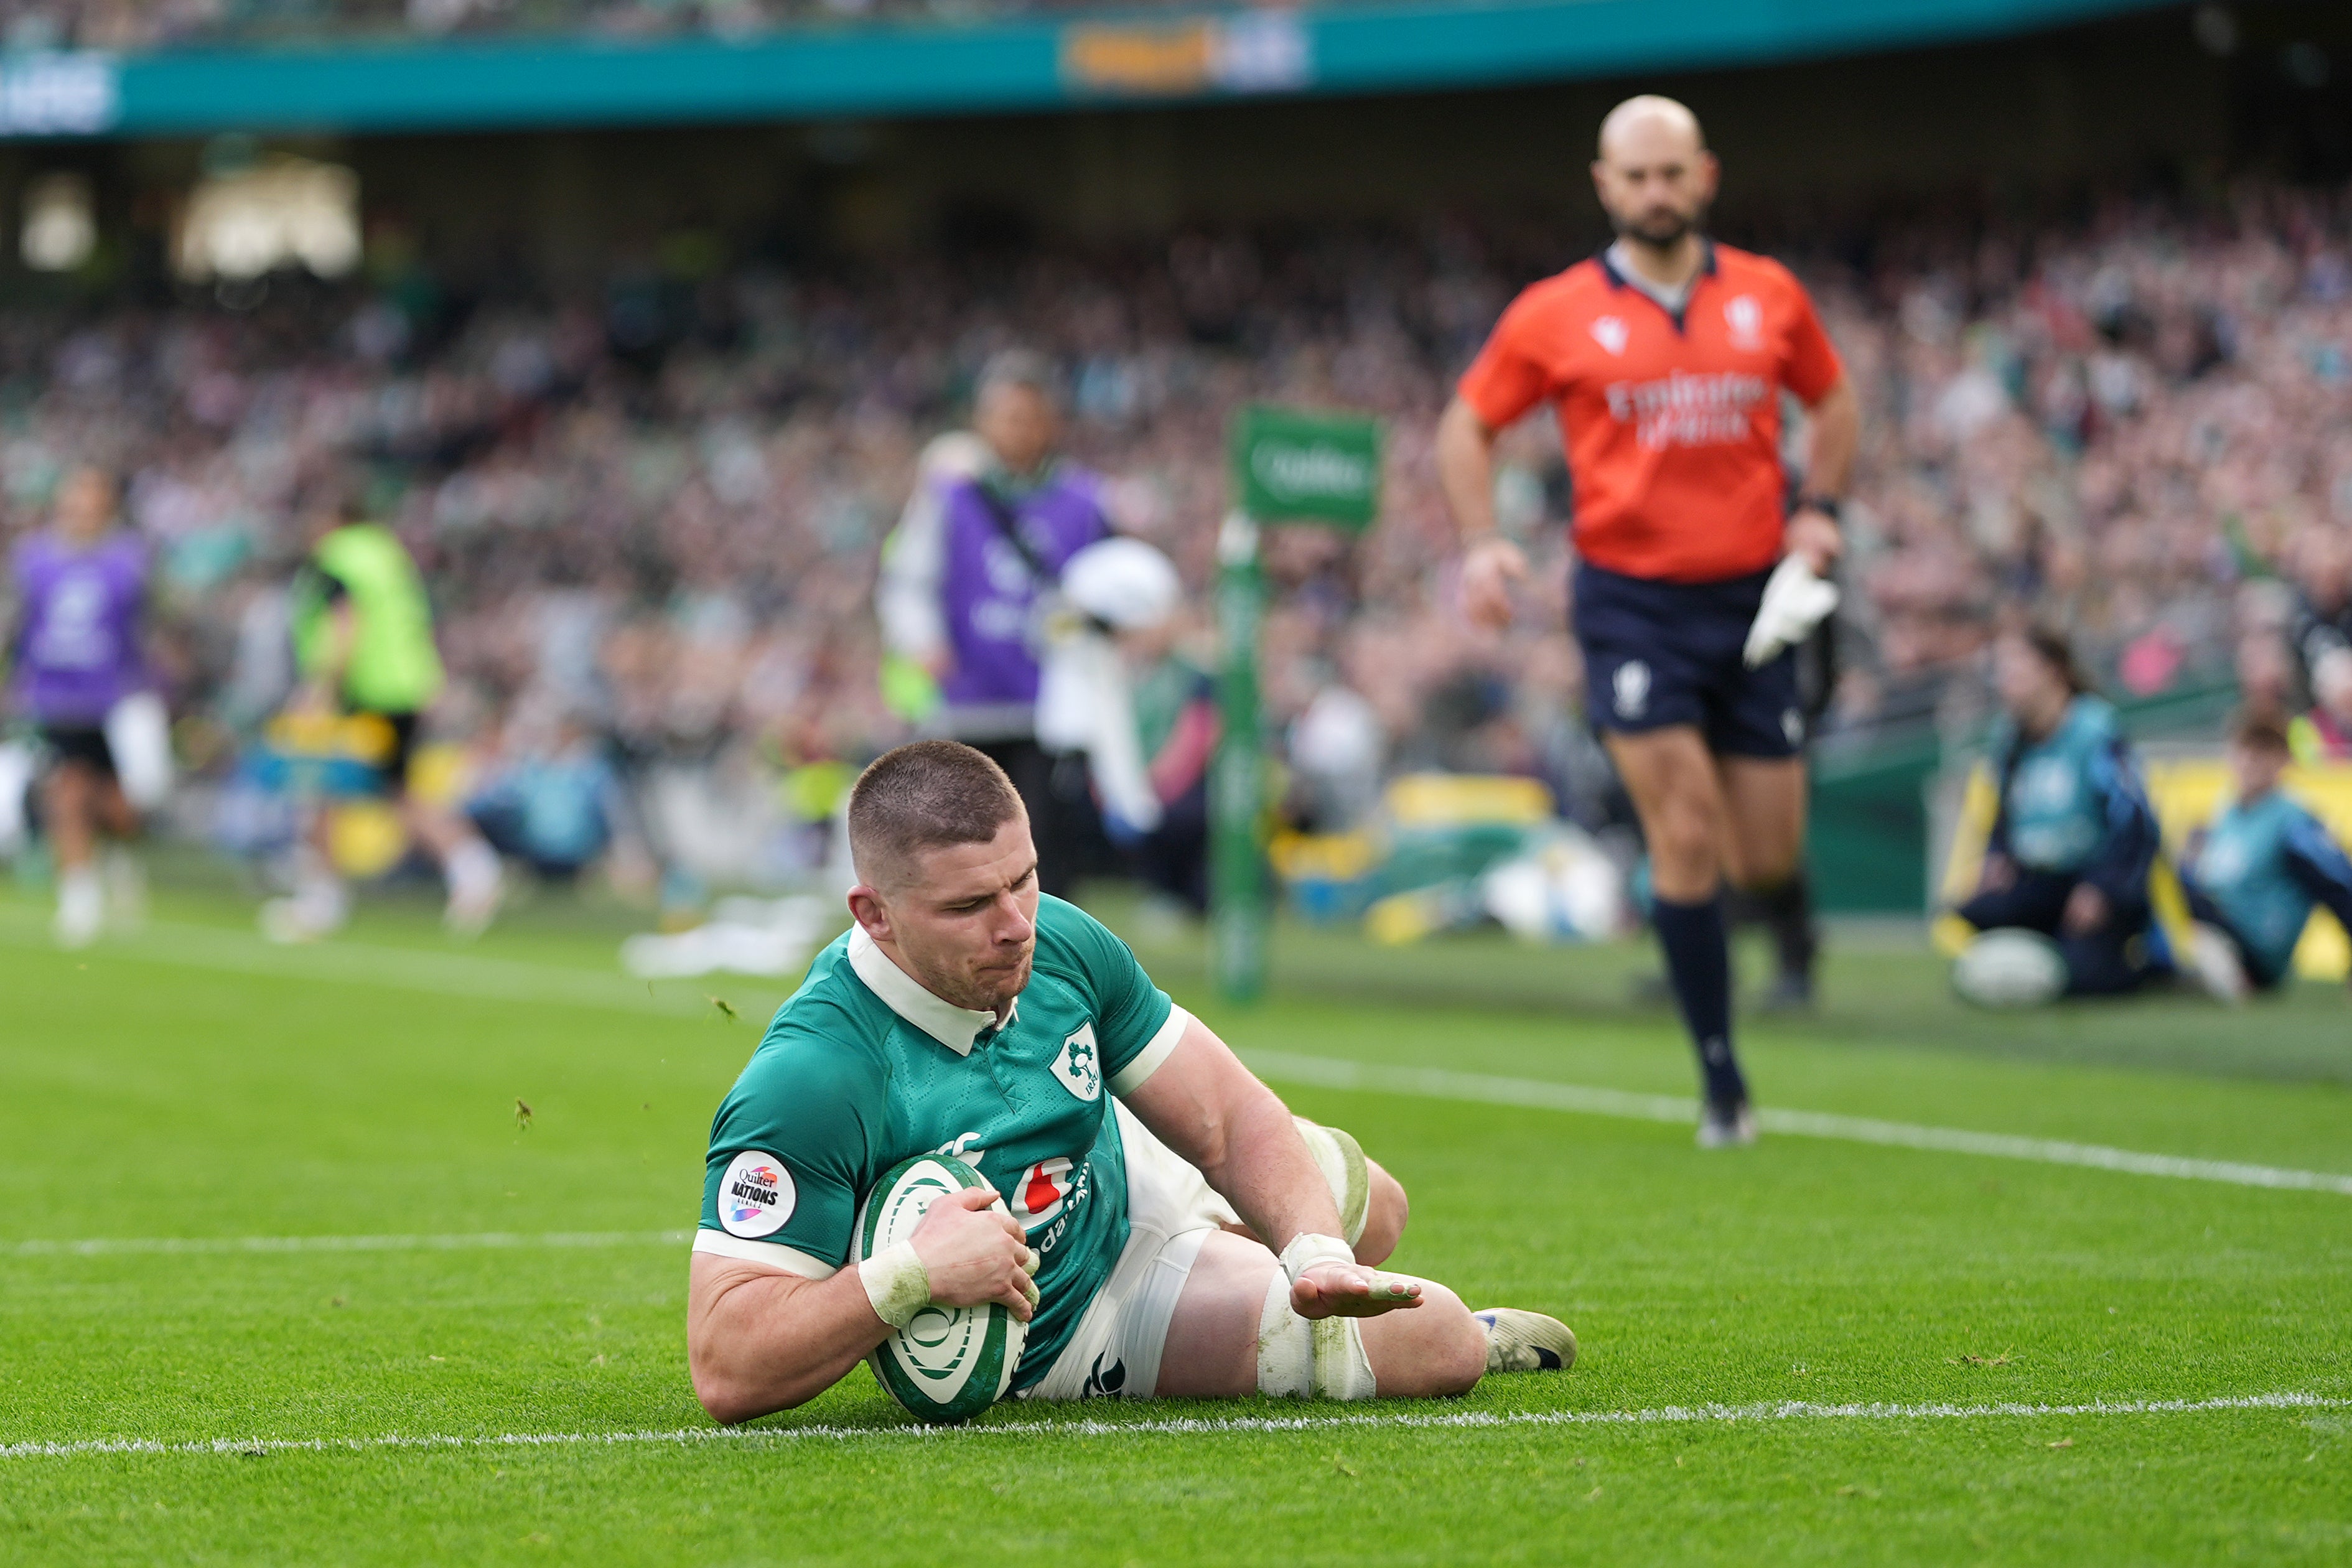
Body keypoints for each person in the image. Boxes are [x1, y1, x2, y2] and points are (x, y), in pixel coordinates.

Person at [686, 741, 1573, 1422]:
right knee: (1441, 1342)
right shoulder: (811, 1077)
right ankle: (1295, 1281)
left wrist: (1312, 1259)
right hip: (1076, 1327)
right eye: (967, 907)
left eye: (1024, 881)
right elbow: (725, 1362)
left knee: (1376, 1206)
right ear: (873, 916)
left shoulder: (1064, 940)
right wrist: (911, 1275)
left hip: (1122, 1159)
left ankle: (1261, 1247)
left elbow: (1227, 1116)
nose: (1014, 927)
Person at [1435, 95, 1860, 1146]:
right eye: (1638, 176)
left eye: (1673, 173)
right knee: (1685, 832)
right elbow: (1467, 422)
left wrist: (1821, 511)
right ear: (1605, 185)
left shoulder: (1770, 294)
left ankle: (1790, 932)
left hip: (1757, 601)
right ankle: (1722, 1079)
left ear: (1705, 175)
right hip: (1631, 605)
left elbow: (1836, 403)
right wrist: (1483, 539)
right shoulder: (1554, 312)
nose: (1657, 192)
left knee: (1766, 849)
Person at [872, 352, 1111, 898]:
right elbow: (907, 579)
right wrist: (924, 641)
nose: (1019, 431)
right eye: (1006, 417)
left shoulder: (1085, 500)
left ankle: (1050, 969)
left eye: (1029, 417)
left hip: (1054, 702)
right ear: (983, 423)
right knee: (962, 842)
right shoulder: (950, 497)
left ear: (1052, 422)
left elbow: (1110, 588)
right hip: (970, 698)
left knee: (1043, 845)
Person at [262, 467, 502, 940]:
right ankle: (472, 868)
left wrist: (320, 687)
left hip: (366, 690)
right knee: (392, 790)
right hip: (405, 687)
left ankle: (322, 898)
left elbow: (345, 621)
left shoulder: (339, 555)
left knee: (321, 788)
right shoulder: (389, 553)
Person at [1949, 625, 2165, 1002]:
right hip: (2040, 878)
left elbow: (2138, 824)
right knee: (1974, 913)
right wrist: (1998, 858)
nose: (2005, 682)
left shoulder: (2096, 732)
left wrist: (2102, 889)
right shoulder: (2010, 739)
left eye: (2016, 670)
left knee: (2084, 977)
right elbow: (2004, 815)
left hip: (2090, 877)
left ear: (2052, 671)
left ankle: (2142, 966)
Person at [3, 467, 169, 947]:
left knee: (123, 804)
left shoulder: (130, 560)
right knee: (67, 790)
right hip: (57, 693)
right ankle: (79, 895)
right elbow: (20, 622)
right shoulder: (33, 558)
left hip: (117, 695)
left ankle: (120, 856)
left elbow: (149, 625)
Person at [2177, 710, 2352, 1002]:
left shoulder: (2293, 822)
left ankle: (2227, 972)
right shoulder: (2224, 813)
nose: (2251, 763)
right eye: (2245, 750)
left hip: (2257, 945)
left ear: (2283, 760)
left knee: (2186, 887)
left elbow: (2339, 884)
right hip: (2220, 924)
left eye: (2264, 753)